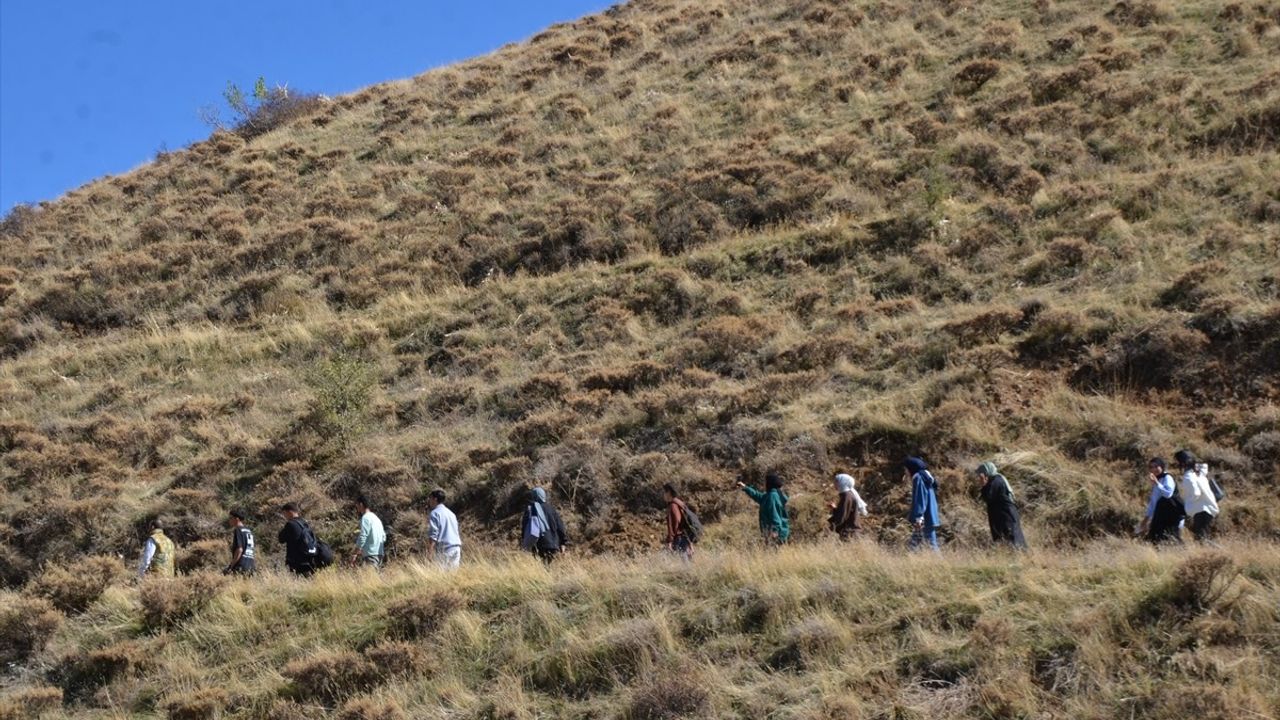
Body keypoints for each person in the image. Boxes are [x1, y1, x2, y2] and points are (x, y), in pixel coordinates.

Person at [975, 462, 1027, 550]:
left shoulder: (996, 481)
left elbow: (988, 497)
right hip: (1005, 515)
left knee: (1012, 540)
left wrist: (984, 484)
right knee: (1009, 539)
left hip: (1006, 516)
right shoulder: (997, 480)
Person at [1175, 450, 1219, 544]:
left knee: (1201, 539)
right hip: (1208, 508)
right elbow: (1203, 467)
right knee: (1202, 538)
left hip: (1200, 509)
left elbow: (1196, 493)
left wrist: (1188, 503)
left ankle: (1222, 554)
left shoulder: (1188, 476)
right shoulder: (1199, 474)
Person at [1138, 457, 1184, 545]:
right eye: (1151, 467)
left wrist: (1157, 483)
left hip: (1171, 513)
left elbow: (1168, 494)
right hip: (1161, 513)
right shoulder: (1158, 480)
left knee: (1171, 536)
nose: (1154, 469)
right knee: (1155, 537)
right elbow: (1154, 501)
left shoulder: (1167, 477)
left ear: (1162, 466)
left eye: (1156, 466)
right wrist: (1146, 518)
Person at [737, 472, 790, 545]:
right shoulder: (769, 495)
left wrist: (775, 531)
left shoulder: (772, 497)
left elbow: (775, 515)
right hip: (774, 534)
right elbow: (757, 496)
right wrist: (745, 487)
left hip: (776, 535)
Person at [520, 486, 568, 563]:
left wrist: (525, 542)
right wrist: (563, 542)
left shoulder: (531, 510)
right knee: (549, 566)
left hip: (538, 544)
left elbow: (525, 527)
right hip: (553, 544)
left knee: (541, 567)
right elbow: (560, 527)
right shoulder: (552, 509)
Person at [905, 457, 940, 552]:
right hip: (929, 516)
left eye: (906, 469)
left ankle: (940, 564)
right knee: (916, 544)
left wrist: (918, 518)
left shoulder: (919, 478)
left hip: (925, 518)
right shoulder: (925, 478)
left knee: (931, 545)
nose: (906, 472)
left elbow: (921, 498)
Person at [278, 503, 323, 576]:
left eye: (284, 513)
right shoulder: (305, 523)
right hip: (310, 559)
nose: (284, 516)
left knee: (297, 583)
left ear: (289, 512)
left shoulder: (290, 524)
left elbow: (281, 539)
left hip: (296, 562)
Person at [426, 489, 462, 569]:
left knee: (441, 577)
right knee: (453, 577)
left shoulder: (435, 513)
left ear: (435, 499)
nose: (429, 501)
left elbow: (433, 534)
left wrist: (430, 552)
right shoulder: (451, 513)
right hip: (456, 548)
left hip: (445, 549)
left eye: (430, 498)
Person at [828, 473, 869, 540]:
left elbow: (842, 516)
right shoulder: (847, 495)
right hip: (849, 532)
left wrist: (829, 528)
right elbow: (845, 512)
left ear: (843, 483)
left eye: (836, 481)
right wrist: (835, 508)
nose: (834, 484)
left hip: (850, 533)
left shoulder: (846, 497)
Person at [350, 495, 386, 569]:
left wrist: (355, 552)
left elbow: (363, 536)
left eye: (357, 504)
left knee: (370, 578)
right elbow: (384, 537)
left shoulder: (365, 518)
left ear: (361, 504)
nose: (356, 507)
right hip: (379, 553)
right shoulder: (376, 518)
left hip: (370, 555)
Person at [663, 483, 696, 560]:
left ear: (669, 493)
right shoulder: (680, 504)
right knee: (687, 561)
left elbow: (673, 525)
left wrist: (670, 541)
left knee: (683, 563)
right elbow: (684, 524)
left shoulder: (672, 506)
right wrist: (690, 543)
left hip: (679, 539)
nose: (663, 495)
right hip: (685, 537)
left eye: (664, 492)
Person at [224, 510, 257, 575]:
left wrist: (231, 566)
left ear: (237, 519)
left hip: (241, 566)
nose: (229, 520)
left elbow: (239, 549)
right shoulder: (249, 531)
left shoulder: (238, 530)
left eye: (231, 518)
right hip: (250, 565)